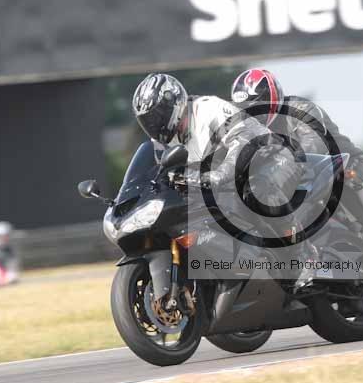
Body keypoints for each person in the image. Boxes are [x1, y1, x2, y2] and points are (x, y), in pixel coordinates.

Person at [132, 73, 315, 289]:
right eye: (148, 121)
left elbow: (243, 140)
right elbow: (158, 172)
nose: (155, 124)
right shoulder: (161, 142)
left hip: (270, 157)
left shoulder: (208, 109)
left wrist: (221, 173)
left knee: (259, 190)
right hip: (228, 179)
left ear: (173, 104)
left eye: (157, 116)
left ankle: (303, 256)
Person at [230, 69, 363, 230]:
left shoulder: (301, 109)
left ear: (272, 99)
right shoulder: (244, 127)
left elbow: (315, 145)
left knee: (345, 174)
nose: (252, 114)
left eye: (256, 107)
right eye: (244, 110)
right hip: (297, 173)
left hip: (344, 160)